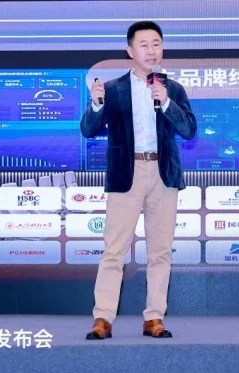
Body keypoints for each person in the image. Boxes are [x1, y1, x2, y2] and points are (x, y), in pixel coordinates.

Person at [81, 21, 197, 340]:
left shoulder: (173, 89)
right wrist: (96, 104)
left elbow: (189, 130)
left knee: (160, 251)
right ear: (130, 50)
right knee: (114, 250)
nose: (151, 50)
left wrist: (167, 103)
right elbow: (88, 130)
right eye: (144, 45)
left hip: (163, 174)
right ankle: (103, 318)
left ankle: (154, 318)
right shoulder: (113, 89)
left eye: (156, 44)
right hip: (126, 174)